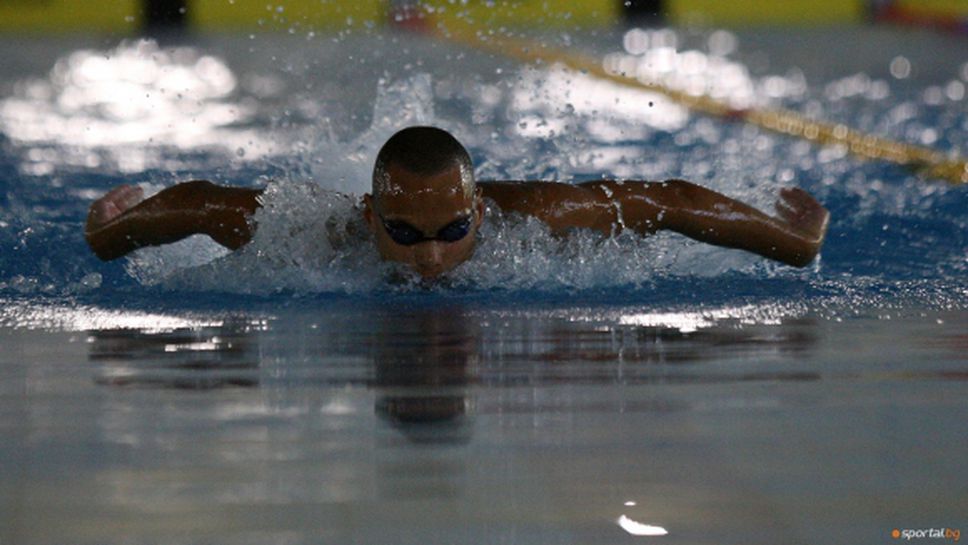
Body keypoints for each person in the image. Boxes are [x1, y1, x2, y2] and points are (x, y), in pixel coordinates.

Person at [85, 126, 829, 280]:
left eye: (453, 229)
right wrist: (111, 232)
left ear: (479, 210)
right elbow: (201, 204)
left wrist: (796, 243)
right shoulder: (312, 234)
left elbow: (664, 200)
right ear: (371, 217)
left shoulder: (530, 219)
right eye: (405, 233)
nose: (432, 256)